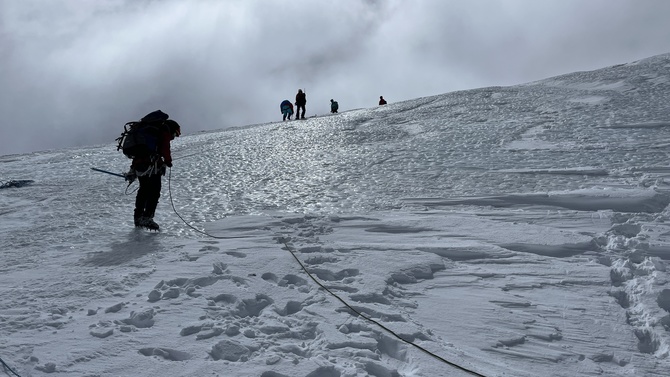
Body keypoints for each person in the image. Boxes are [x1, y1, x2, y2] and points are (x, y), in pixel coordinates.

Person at [125, 110, 181, 231]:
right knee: (154, 191)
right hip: (152, 165)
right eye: (175, 135)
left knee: (143, 190)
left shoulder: (147, 131)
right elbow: (165, 147)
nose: (173, 138)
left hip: (141, 165)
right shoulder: (164, 129)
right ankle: (147, 217)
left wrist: (133, 169)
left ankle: (138, 217)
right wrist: (168, 161)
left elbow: (139, 155)